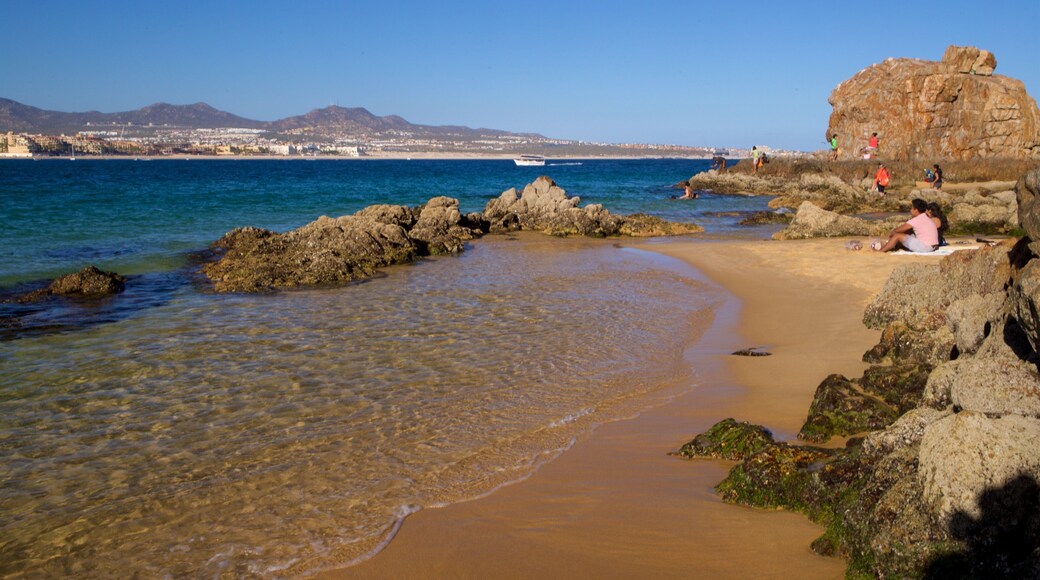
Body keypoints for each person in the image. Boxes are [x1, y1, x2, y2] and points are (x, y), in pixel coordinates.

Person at [873, 198, 939, 253]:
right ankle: (890, 246)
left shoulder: (916, 219)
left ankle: (881, 251)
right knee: (905, 236)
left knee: (897, 235)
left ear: (916, 210)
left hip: (925, 248)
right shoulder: (926, 217)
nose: (910, 210)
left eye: (912, 208)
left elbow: (897, 230)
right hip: (934, 246)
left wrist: (891, 235)